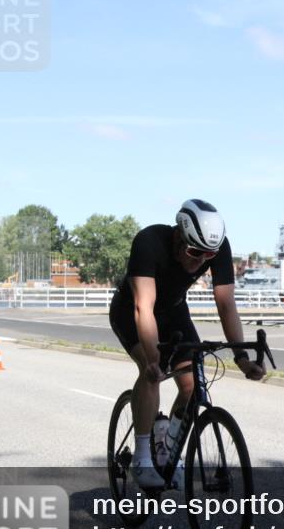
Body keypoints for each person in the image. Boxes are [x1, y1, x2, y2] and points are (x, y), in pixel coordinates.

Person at [109, 199, 265, 490]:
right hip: (133, 312)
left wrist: (241, 358)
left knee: (192, 384)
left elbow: (226, 304)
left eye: (208, 256)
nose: (199, 262)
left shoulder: (215, 249)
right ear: (179, 235)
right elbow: (144, 307)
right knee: (149, 368)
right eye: (194, 252)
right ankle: (142, 459)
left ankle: (166, 445)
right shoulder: (149, 242)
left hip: (174, 312)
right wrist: (155, 360)